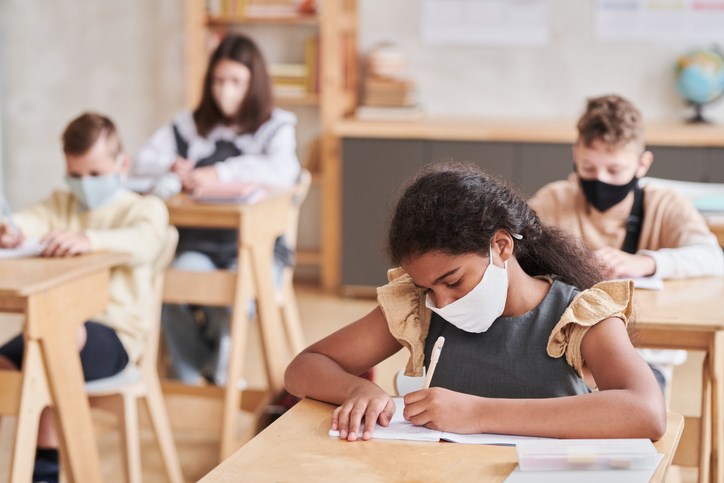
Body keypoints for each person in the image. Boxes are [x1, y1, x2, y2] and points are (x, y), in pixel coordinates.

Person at [285, 162, 666, 442]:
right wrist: (357, 389)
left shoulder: (579, 316)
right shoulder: (419, 307)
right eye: (428, 287)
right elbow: (305, 367)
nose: (442, 301)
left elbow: (646, 412)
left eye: (452, 281)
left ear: (501, 246)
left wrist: (477, 413)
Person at [0, 112, 169, 483]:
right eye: (75, 175)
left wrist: (91, 240)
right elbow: (31, 220)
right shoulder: (63, 204)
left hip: (115, 337)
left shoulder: (143, 209)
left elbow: (143, 242)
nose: (84, 184)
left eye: (94, 174)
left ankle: (43, 473)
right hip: (53, 330)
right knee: (13, 365)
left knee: (53, 348)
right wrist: (12, 231)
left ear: (121, 164)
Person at [132, 33, 300, 386]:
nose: (226, 89)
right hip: (199, 244)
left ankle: (220, 374)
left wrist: (218, 172)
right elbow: (139, 166)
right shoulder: (188, 126)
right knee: (171, 288)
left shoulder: (277, 127)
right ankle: (193, 376)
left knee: (232, 298)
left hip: (258, 248)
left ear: (254, 83)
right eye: (218, 80)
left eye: (236, 81)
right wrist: (171, 166)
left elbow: (283, 172)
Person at [528, 94, 724, 390]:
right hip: (564, 357)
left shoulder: (665, 204)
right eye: (588, 169)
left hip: (645, 359)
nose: (601, 180)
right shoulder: (554, 199)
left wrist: (647, 262)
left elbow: (713, 258)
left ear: (642, 164)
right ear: (575, 155)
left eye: (615, 170)